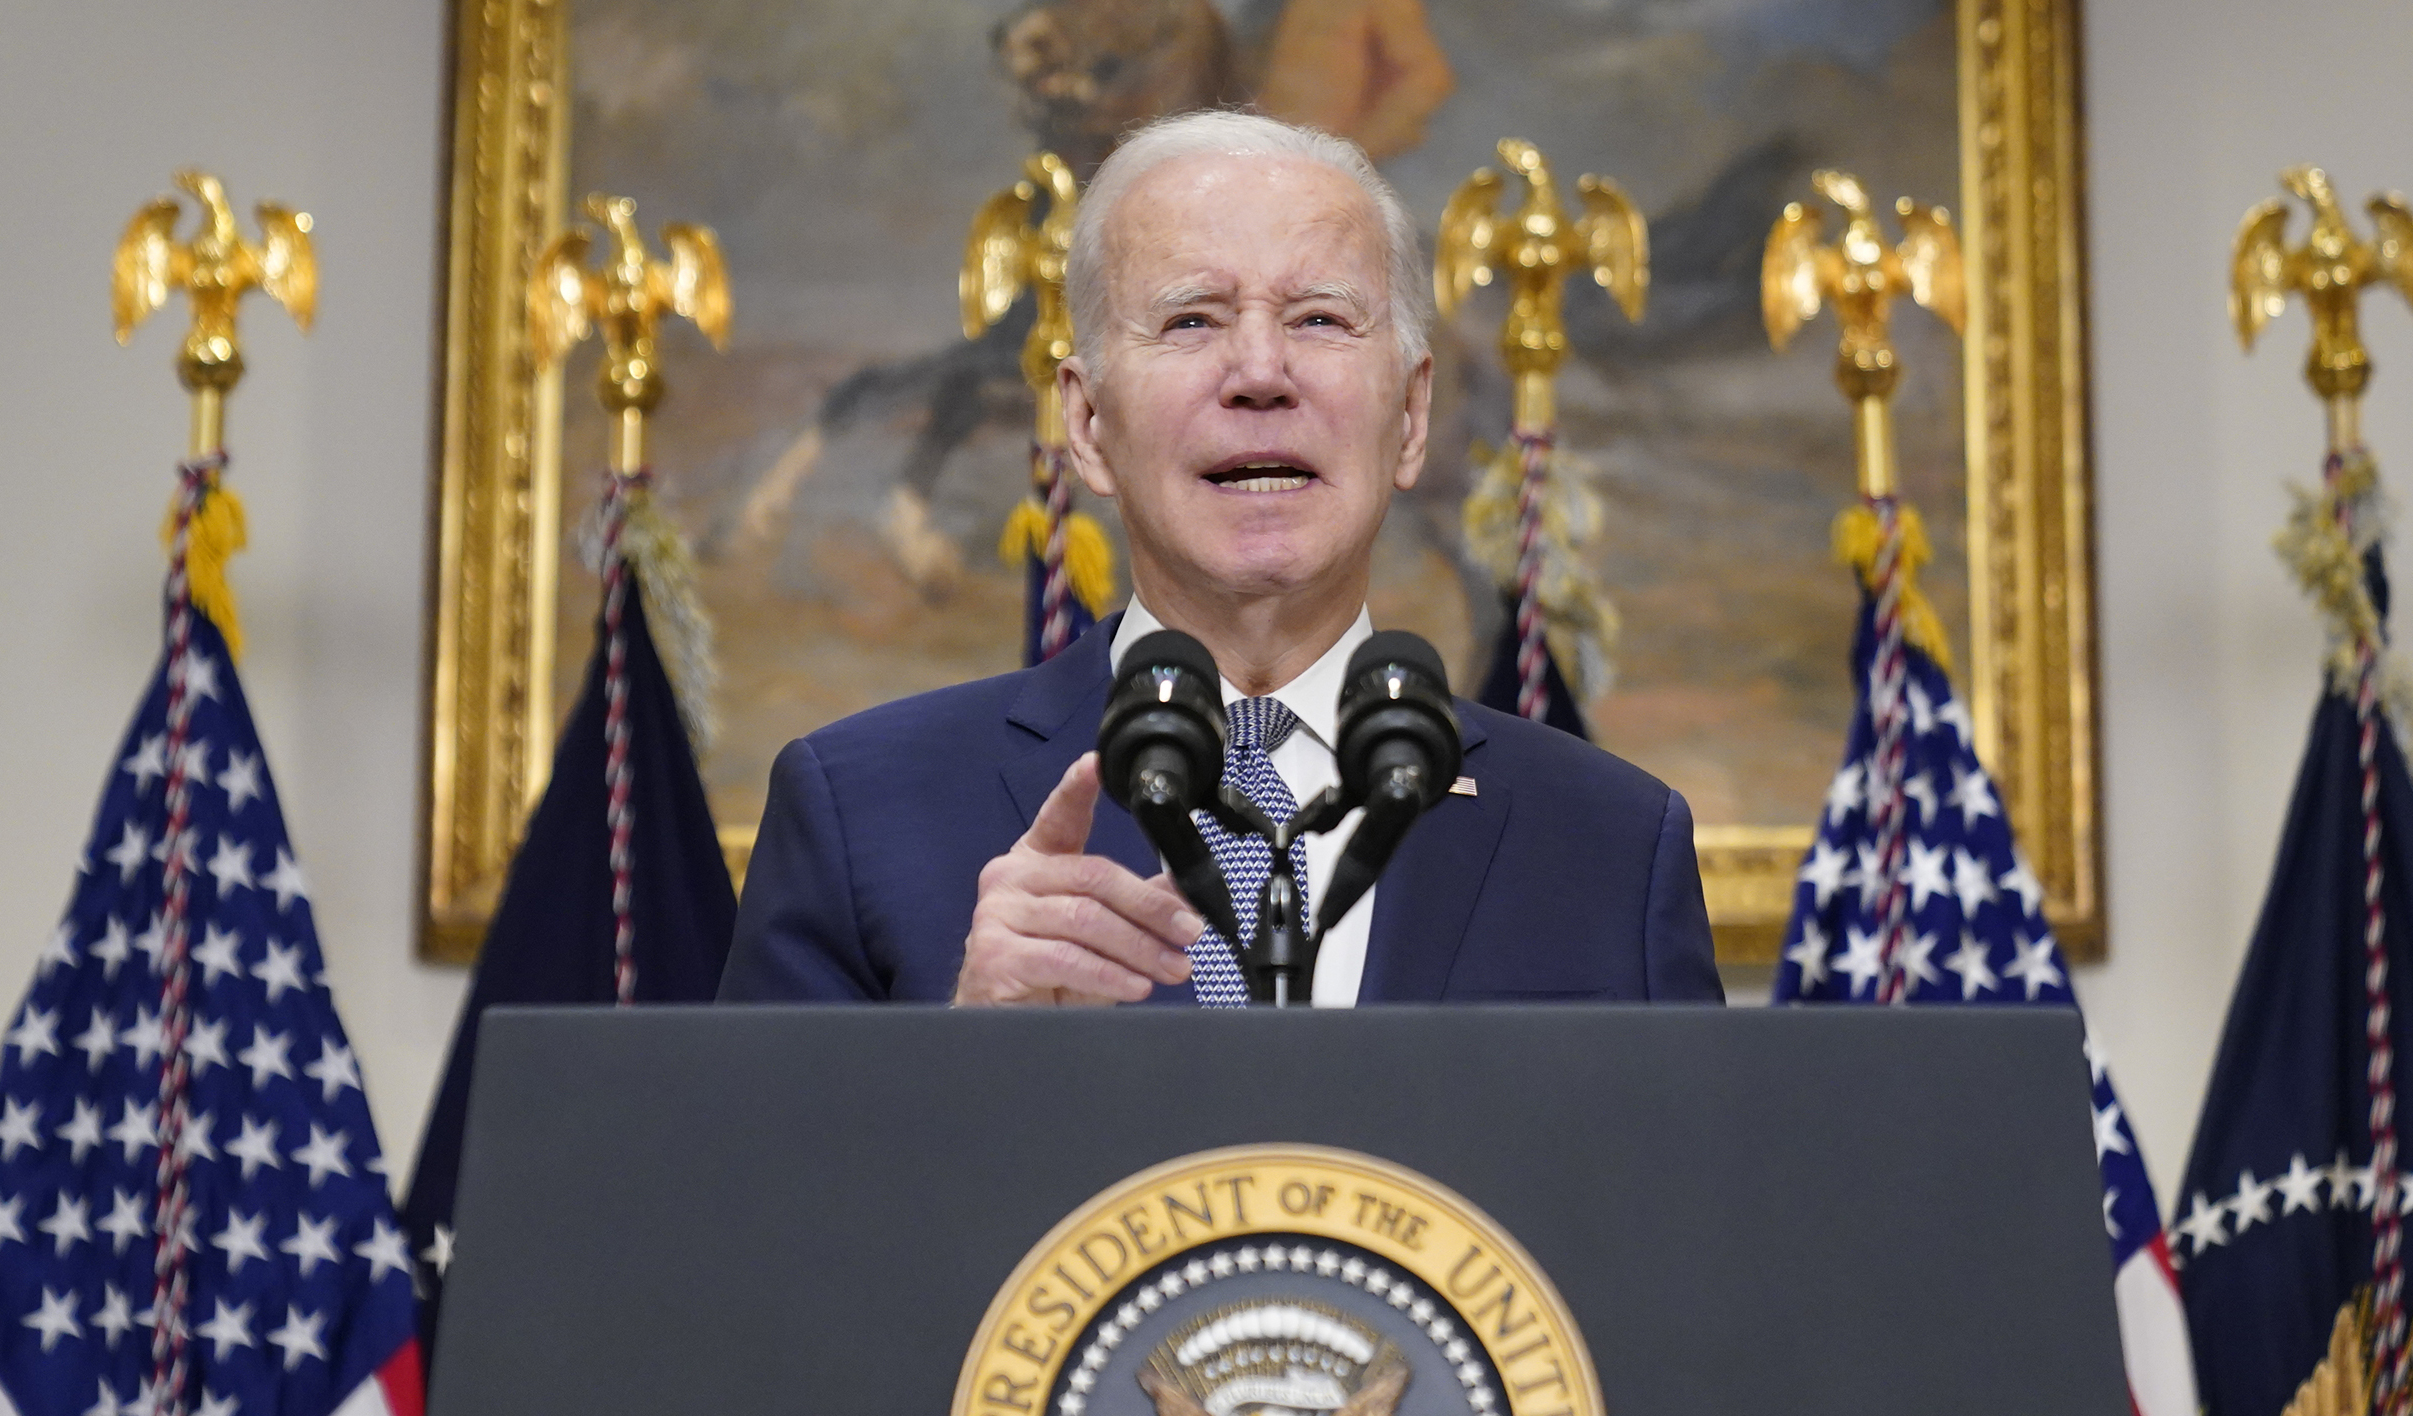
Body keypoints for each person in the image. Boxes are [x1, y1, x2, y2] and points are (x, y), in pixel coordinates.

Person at [719, 110, 1721, 1007]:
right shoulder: (859, 808)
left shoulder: (1611, 844)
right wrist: (973, 1058)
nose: (1257, 373)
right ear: (1087, 421)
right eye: (1191, 318)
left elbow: (1682, 1211)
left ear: (1411, 417)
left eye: (1318, 318)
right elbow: (760, 1207)